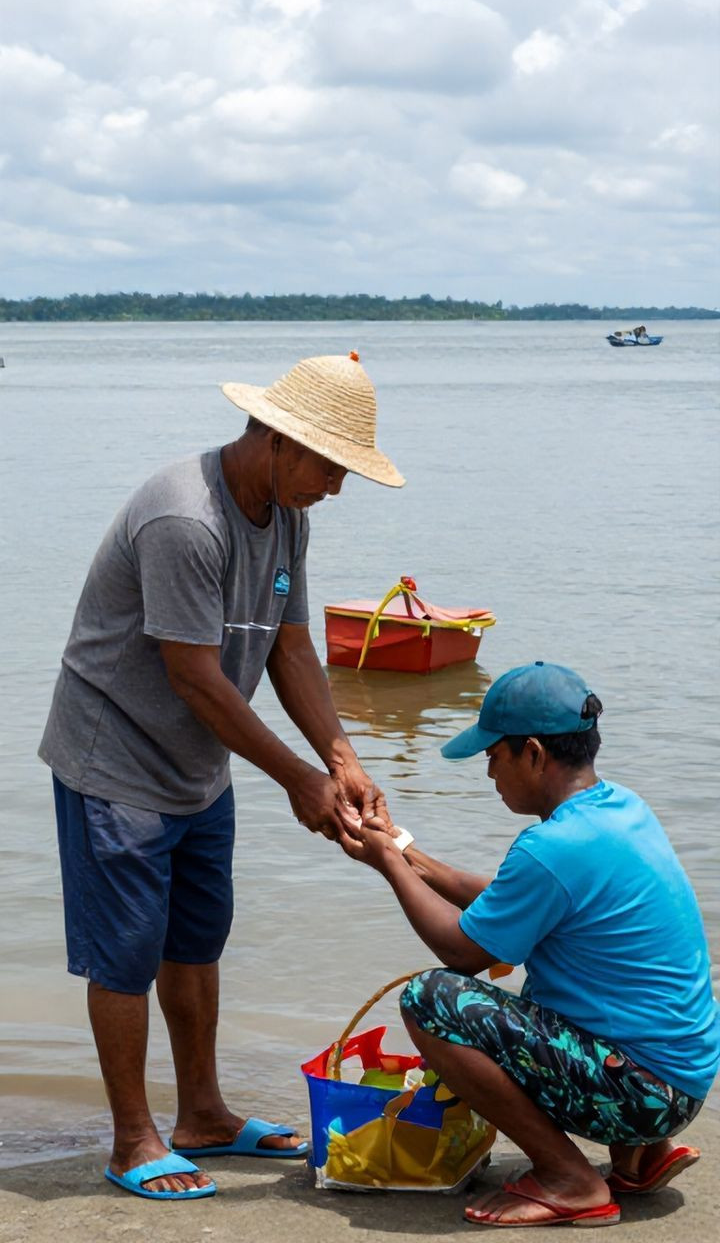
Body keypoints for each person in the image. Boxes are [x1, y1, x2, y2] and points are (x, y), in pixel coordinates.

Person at [39, 351, 404, 1201]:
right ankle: (133, 1137)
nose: (336, 488)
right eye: (329, 467)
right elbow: (195, 677)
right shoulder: (186, 518)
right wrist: (299, 780)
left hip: (199, 764)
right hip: (115, 758)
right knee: (125, 952)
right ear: (276, 439)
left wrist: (342, 760)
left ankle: (202, 1112)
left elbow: (291, 646)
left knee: (197, 937)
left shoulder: (287, 515)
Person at [339, 662, 719, 1228]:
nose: (490, 771)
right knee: (555, 992)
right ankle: (639, 1154)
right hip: (679, 1083)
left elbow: (464, 953)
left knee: (431, 998)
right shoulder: (619, 809)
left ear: (535, 754)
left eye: (495, 755)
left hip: (640, 1092)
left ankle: (569, 1178)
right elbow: (507, 899)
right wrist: (405, 850)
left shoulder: (551, 846)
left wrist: (389, 866)